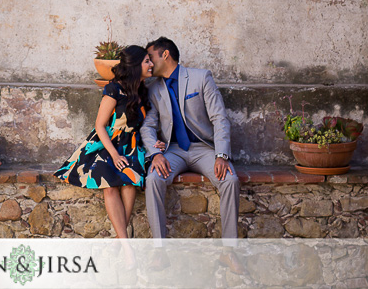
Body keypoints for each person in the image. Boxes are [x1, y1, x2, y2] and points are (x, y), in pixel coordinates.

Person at [54, 45, 163, 238]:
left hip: (132, 145)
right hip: (108, 144)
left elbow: (145, 127)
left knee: (131, 182)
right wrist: (114, 155)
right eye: (147, 61)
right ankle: (126, 243)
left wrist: (155, 143)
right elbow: (100, 125)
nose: (151, 64)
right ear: (136, 65)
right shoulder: (114, 89)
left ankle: (121, 239)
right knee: (110, 185)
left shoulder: (143, 92)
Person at [141, 37, 239, 239]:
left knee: (230, 180)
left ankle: (230, 250)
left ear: (165, 54)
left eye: (151, 57)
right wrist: (155, 154)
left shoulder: (201, 78)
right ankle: (160, 249)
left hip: (203, 149)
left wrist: (221, 155)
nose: (149, 64)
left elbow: (219, 117)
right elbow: (148, 126)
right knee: (152, 179)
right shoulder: (152, 89)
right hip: (173, 150)